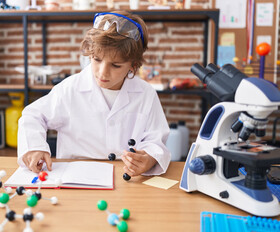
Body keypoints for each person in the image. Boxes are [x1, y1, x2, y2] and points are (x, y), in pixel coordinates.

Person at [17, 11, 171, 178]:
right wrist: (34, 147)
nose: (103, 73)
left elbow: (156, 139)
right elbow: (32, 115)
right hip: (75, 178)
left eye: (116, 65)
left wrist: (149, 158)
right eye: (97, 60)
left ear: (133, 66)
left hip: (125, 180)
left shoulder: (145, 94)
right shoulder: (70, 89)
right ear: (89, 54)